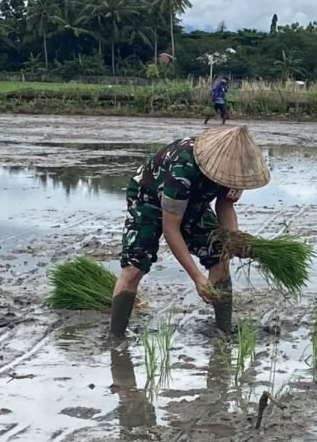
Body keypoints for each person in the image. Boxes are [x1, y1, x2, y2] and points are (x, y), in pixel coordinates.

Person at [109, 125, 270, 338]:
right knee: (134, 268)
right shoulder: (183, 168)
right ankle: (115, 336)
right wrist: (197, 277)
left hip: (194, 203)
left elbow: (225, 205)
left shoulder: (234, 170)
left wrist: (233, 240)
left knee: (219, 257)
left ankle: (223, 332)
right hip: (148, 200)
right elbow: (171, 229)